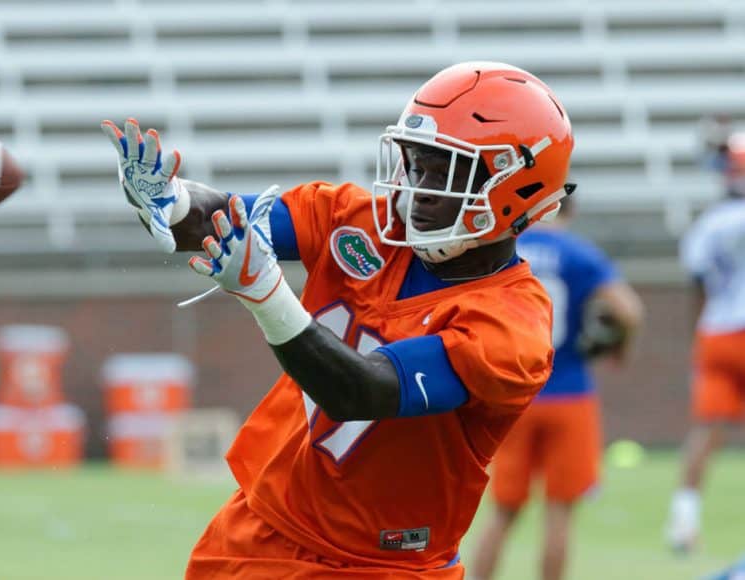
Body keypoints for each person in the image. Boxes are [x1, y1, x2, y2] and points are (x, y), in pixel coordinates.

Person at [104, 61, 575, 578]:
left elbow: (362, 392)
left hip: (380, 566)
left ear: (515, 189)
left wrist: (267, 295)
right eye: (416, 165)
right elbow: (225, 218)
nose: (417, 188)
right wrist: (169, 201)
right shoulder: (361, 219)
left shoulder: (513, 327)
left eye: (446, 171)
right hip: (258, 530)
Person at [468, 197, 643, 580]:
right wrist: (620, 349)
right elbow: (628, 310)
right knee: (560, 510)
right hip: (570, 393)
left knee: (503, 510)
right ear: (571, 210)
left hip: (514, 397)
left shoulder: (505, 248)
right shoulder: (580, 254)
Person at [667, 134, 745, 553]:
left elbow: (697, 286)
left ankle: (683, 520)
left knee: (706, 431)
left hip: (716, 331)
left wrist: (697, 338)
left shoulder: (709, 223)